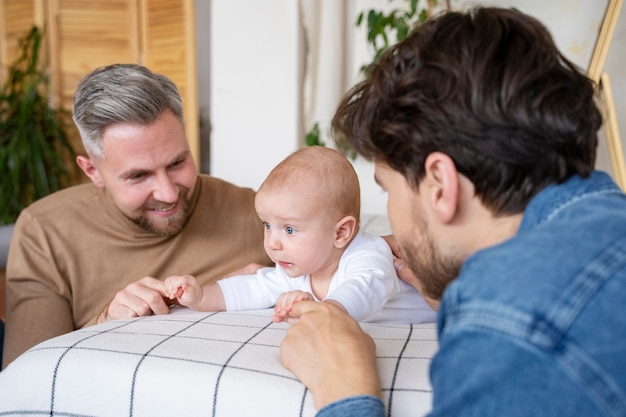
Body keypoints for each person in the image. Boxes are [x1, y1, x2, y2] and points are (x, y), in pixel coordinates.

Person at [278, 7, 626, 417]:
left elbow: (529, 329)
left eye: (388, 190)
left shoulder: (513, 326)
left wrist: (343, 388)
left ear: (440, 183)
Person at [2, 64, 273, 369]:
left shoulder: (260, 213)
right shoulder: (45, 232)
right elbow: (27, 378)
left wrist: (248, 293)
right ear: (92, 171)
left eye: (177, 163)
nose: (168, 193)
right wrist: (106, 324)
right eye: (139, 175)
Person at [164, 146, 436, 324]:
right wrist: (200, 296)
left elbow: (366, 287)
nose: (272, 243)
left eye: (290, 229)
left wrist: (328, 309)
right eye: (267, 225)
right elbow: (252, 288)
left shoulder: (369, 253)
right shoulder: (299, 269)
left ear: (341, 232)